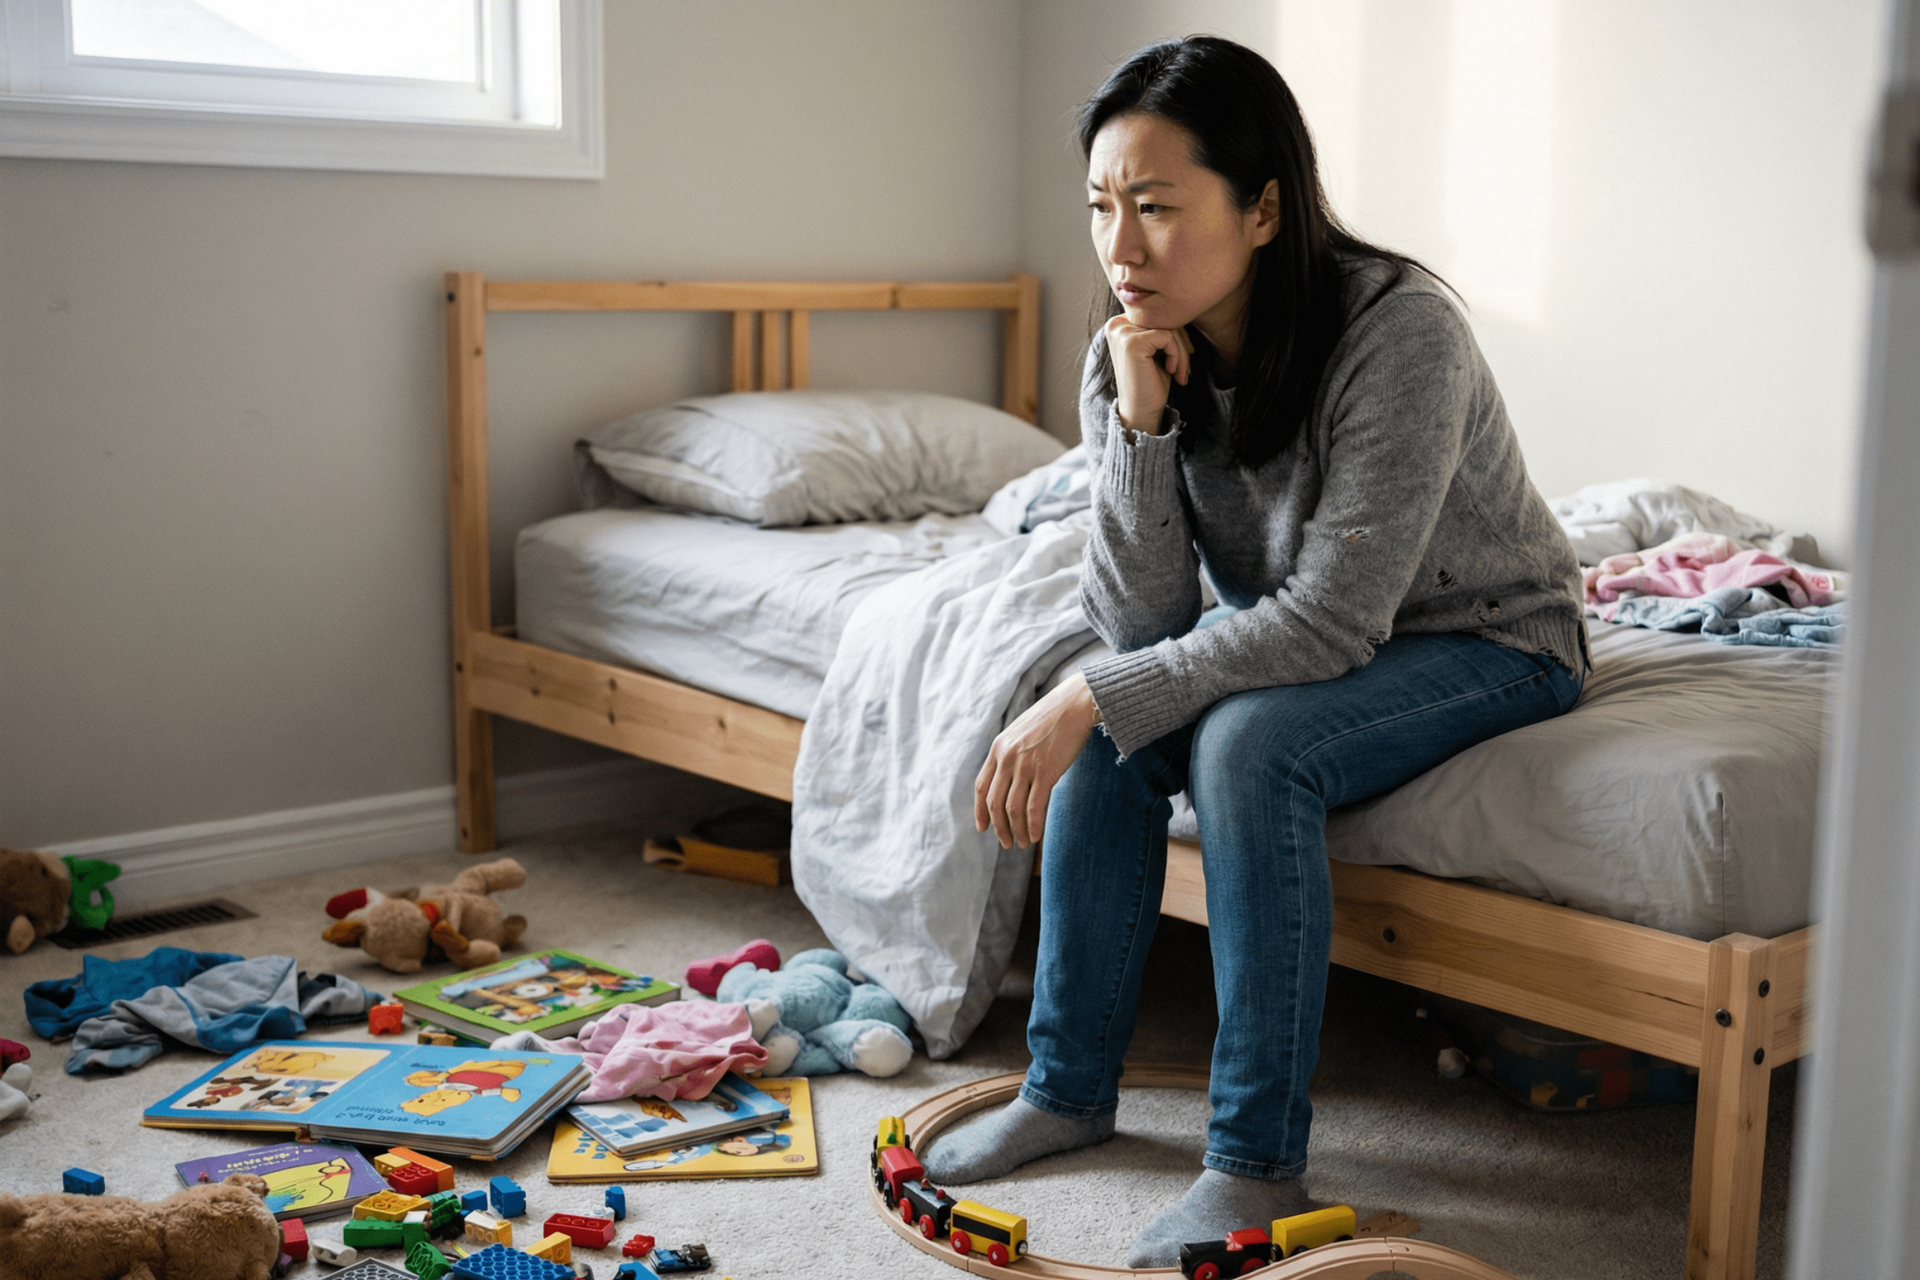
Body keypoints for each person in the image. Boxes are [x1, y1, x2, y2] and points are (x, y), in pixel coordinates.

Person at [921, 35, 1588, 1267]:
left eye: (1160, 209)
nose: (1122, 248)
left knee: (1242, 744)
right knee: (1121, 731)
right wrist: (1139, 425)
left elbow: (1333, 619)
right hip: (1330, 628)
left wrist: (1090, 691)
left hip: (1494, 633)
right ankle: (1066, 1087)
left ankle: (1254, 1161)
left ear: (1265, 206)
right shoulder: (1132, 344)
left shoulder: (1402, 332)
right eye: (1102, 208)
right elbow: (1144, 626)